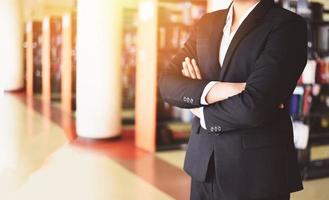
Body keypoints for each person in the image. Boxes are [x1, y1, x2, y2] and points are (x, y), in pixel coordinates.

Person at [158, 0, 308, 199]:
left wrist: (199, 108)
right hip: (204, 165)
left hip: (255, 173)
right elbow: (167, 83)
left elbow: (254, 106)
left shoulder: (287, 25)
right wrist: (222, 89)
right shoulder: (208, 22)